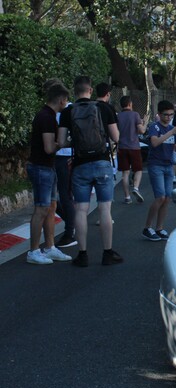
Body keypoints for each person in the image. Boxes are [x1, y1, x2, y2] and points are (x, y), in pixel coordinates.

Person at [57, 75, 123, 267]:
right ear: (91, 90)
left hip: (80, 166)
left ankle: (83, 254)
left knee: (81, 209)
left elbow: (61, 142)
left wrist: (75, 143)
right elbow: (116, 137)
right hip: (102, 163)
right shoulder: (104, 108)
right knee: (104, 208)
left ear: (74, 91)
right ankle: (107, 252)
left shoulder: (68, 112)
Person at [25, 83, 73, 264]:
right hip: (41, 167)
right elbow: (48, 147)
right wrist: (64, 142)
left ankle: (50, 247)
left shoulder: (48, 115)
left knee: (51, 207)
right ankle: (33, 251)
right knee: (42, 208)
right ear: (61, 100)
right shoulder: (46, 117)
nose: (66, 103)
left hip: (47, 167)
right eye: (66, 100)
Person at [42, 78, 77, 248]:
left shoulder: (67, 110)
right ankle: (73, 224)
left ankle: (71, 230)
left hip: (64, 156)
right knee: (56, 198)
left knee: (63, 195)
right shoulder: (62, 110)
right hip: (59, 156)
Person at [143, 100, 176, 241]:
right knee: (160, 197)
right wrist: (171, 132)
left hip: (168, 165)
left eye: (171, 115)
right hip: (156, 165)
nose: (169, 117)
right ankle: (147, 227)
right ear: (159, 114)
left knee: (167, 198)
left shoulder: (173, 128)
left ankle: (159, 228)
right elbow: (154, 143)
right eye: (166, 115)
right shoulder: (154, 127)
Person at [117, 95, 146, 204]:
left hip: (122, 147)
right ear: (130, 104)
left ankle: (127, 197)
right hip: (134, 146)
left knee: (125, 173)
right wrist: (145, 122)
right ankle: (136, 187)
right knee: (138, 169)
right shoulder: (135, 115)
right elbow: (141, 131)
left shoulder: (118, 116)